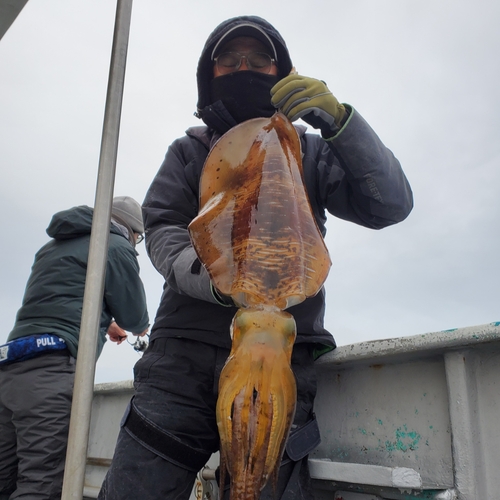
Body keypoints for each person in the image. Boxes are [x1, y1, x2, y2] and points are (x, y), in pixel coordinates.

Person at [98, 15, 413, 500]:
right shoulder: (189, 151)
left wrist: (340, 123)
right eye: (229, 59)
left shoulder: (308, 151)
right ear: (211, 74)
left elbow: (389, 203)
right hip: (182, 353)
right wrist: (215, 280)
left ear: (280, 71)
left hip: (287, 347)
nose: (244, 66)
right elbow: (162, 227)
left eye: (259, 59)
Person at [0, 196, 150, 500]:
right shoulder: (115, 246)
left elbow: (57, 300)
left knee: (4, 475)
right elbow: (135, 317)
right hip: (51, 371)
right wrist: (138, 326)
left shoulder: (52, 247)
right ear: (132, 231)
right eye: (139, 237)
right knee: (41, 481)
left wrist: (101, 321)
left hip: (11, 366)